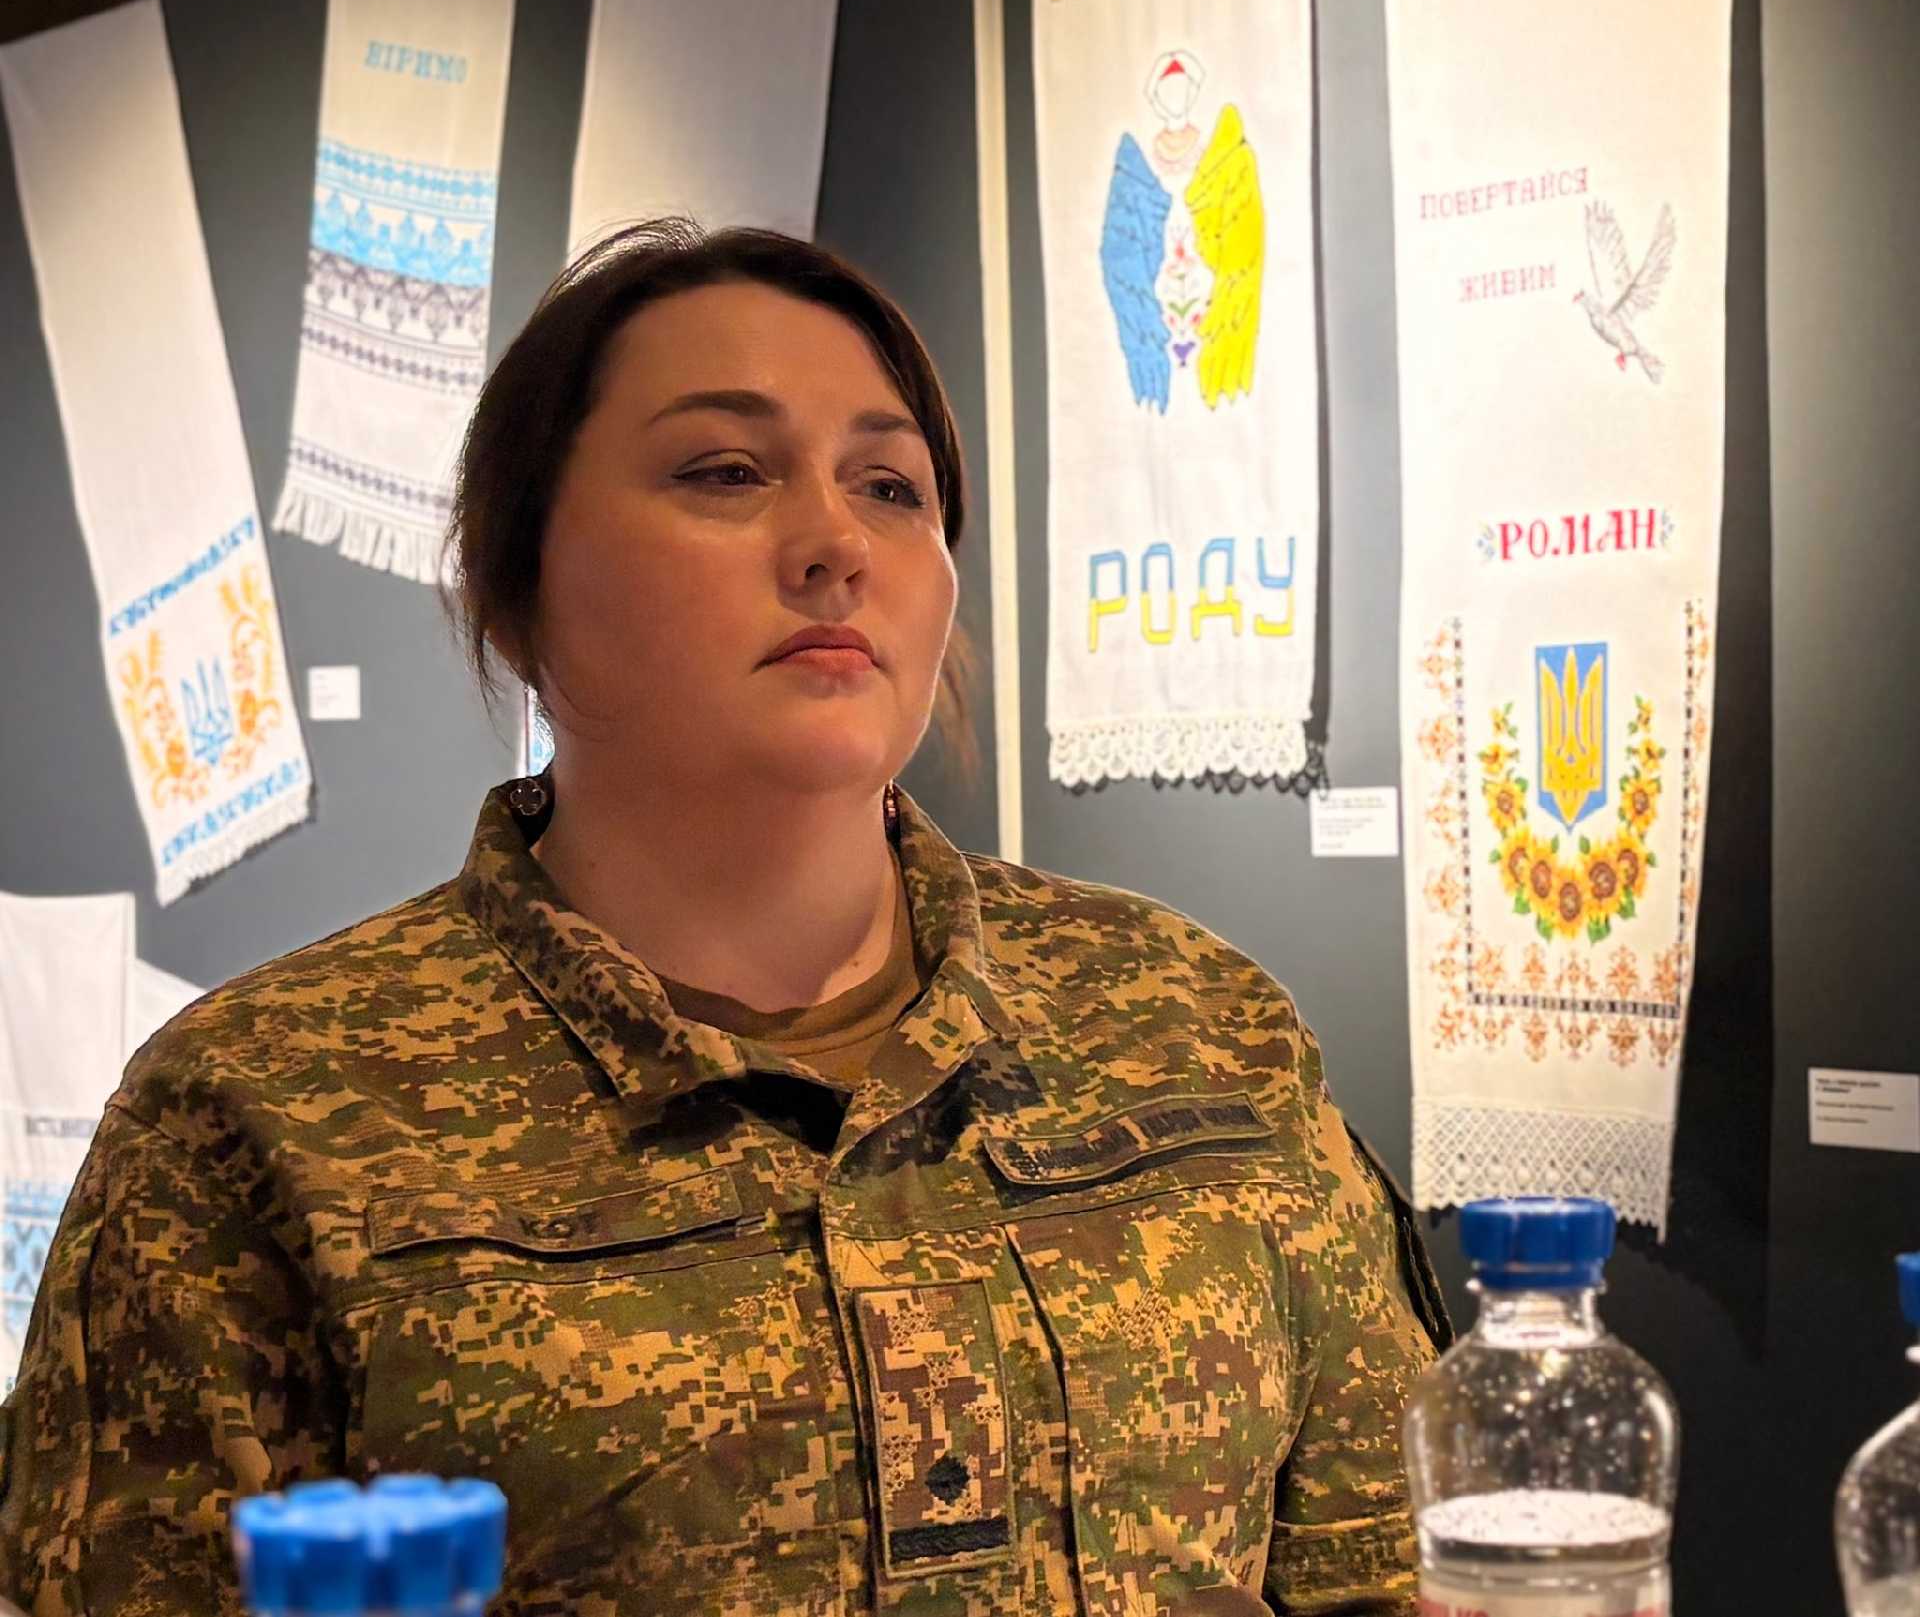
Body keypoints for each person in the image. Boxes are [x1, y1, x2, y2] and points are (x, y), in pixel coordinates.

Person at [0, 221, 1450, 1615]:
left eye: (891, 487)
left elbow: (1402, 1573)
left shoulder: (1194, 1024)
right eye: (725, 471)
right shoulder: (261, 1115)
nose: (835, 542)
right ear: (518, 589)